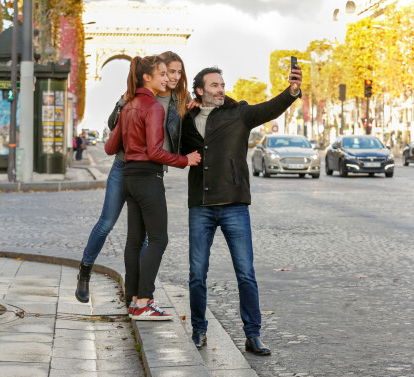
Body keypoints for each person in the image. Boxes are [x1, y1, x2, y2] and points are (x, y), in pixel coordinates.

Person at [181, 64, 302, 354]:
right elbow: (167, 143)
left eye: (222, 85)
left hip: (234, 203)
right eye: (214, 85)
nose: (221, 89)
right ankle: (199, 329)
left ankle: (253, 334)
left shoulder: (239, 113)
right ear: (200, 90)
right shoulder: (186, 120)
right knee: (197, 274)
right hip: (201, 204)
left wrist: (292, 91)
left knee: (245, 273)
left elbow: (269, 108)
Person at [75, 51, 191, 310]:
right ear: (153, 74)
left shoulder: (180, 100)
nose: (172, 77)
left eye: (177, 72)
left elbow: (186, 131)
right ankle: (86, 273)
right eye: (167, 72)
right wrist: (185, 160)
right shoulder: (135, 97)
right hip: (125, 164)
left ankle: (136, 296)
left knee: (142, 238)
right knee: (107, 223)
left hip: (147, 168)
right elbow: (114, 130)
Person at [105, 55, 201, 320]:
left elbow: (110, 147)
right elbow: (156, 152)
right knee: (159, 239)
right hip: (148, 177)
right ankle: (145, 300)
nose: (166, 79)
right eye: (161, 74)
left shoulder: (129, 105)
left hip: (129, 178)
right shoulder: (154, 108)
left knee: (134, 241)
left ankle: (133, 300)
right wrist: (186, 160)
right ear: (147, 77)